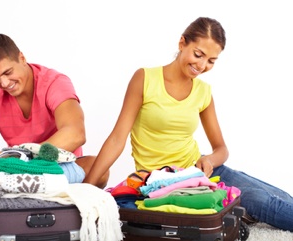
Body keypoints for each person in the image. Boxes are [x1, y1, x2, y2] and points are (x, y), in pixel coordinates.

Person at [84, 17, 293, 231]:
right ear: (182, 43)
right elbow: (118, 137)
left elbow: (221, 149)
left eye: (211, 60)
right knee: (263, 202)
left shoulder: (203, 91)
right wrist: (86, 188)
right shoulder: (145, 79)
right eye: (198, 54)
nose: (202, 66)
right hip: (165, 182)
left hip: (202, 169)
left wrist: (209, 160)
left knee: (281, 197)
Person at [0, 33, 108, 189]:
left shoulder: (54, 83)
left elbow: (76, 133)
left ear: (22, 58)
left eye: (8, 73)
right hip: (17, 172)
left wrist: (22, 156)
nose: (5, 83)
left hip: (57, 167)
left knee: (100, 168)